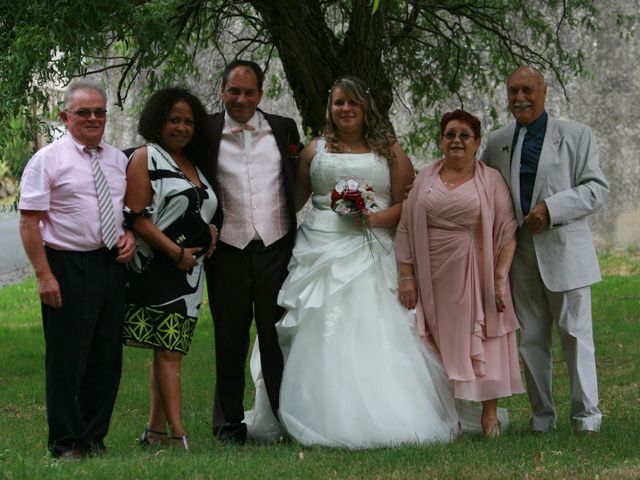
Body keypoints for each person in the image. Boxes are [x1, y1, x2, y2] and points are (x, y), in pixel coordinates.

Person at [247, 76, 459, 447]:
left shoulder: (389, 150)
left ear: (365, 109)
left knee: (371, 327)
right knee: (313, 327)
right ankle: (312, 410)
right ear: (330, 108)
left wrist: (375, 219)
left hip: (369, 248)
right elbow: (292, 200)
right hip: (318, 248)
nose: (345, 109)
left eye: (353, 103)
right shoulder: (313, 150)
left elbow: (407, 205)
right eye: (339, 103)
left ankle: (383, 412)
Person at [481, 66, 608, 433]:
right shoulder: (497, 141)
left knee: (576, 336)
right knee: (531, 340)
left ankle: (587, 418)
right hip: (519, 256)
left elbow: (596, 188)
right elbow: (486, 191)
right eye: (512, 91)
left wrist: (552, 209)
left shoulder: (576, 135)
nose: (519, 98)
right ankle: (542, 418)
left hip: (565, 253)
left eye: (527, 90)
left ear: (544, 91)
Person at [18, 80, 136, 459]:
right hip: (66, 265)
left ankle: (93, 437)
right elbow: (29, 222)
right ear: (64, 116)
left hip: (110, 266)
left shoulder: (118, 160)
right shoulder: (47, 160)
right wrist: (43, 274)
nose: (93, 118)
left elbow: (125, 215)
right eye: (83, 112)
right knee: (68, 358)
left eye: (99, 111)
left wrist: (129, 236)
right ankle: (66, 442)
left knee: (106, 357)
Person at [395, 109, 525, 437]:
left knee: (484, 338)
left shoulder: (491, 180)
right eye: (450, 134)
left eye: (464, 135)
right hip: (432, 274)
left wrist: (498, 278)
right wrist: (407, 275)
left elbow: (507, 232)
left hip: (474, 272)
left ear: (477, 143)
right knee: (438, 342)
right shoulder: (425, 178)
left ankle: (489, 416)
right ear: (440, 141)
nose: (456, 140)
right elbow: (407, 228)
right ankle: (447, 415)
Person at [199, 60, 300, 444]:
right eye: (234, 91)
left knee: (276, 336)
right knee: (229, 337)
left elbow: (299, 177)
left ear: (260, 93)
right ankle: (227, 425)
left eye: (250, 92)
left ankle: (282, 418)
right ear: (222, 90)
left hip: (276, 246)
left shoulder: (284, 128)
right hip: (226, 248)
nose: (241, 99)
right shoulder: (205, 130)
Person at [122, 87, 217, 451]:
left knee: (169, 349)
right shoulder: (148, 157)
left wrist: (210, 232)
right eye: (174, 119)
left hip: (191, 274)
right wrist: (176, 253)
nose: (182, 127)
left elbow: (199, 210)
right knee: (168, 352)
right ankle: (179, 435)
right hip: (159, 269)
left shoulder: (192, 164)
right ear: (158, 122)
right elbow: (137, 217)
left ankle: (155, 430)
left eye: (189, 121)